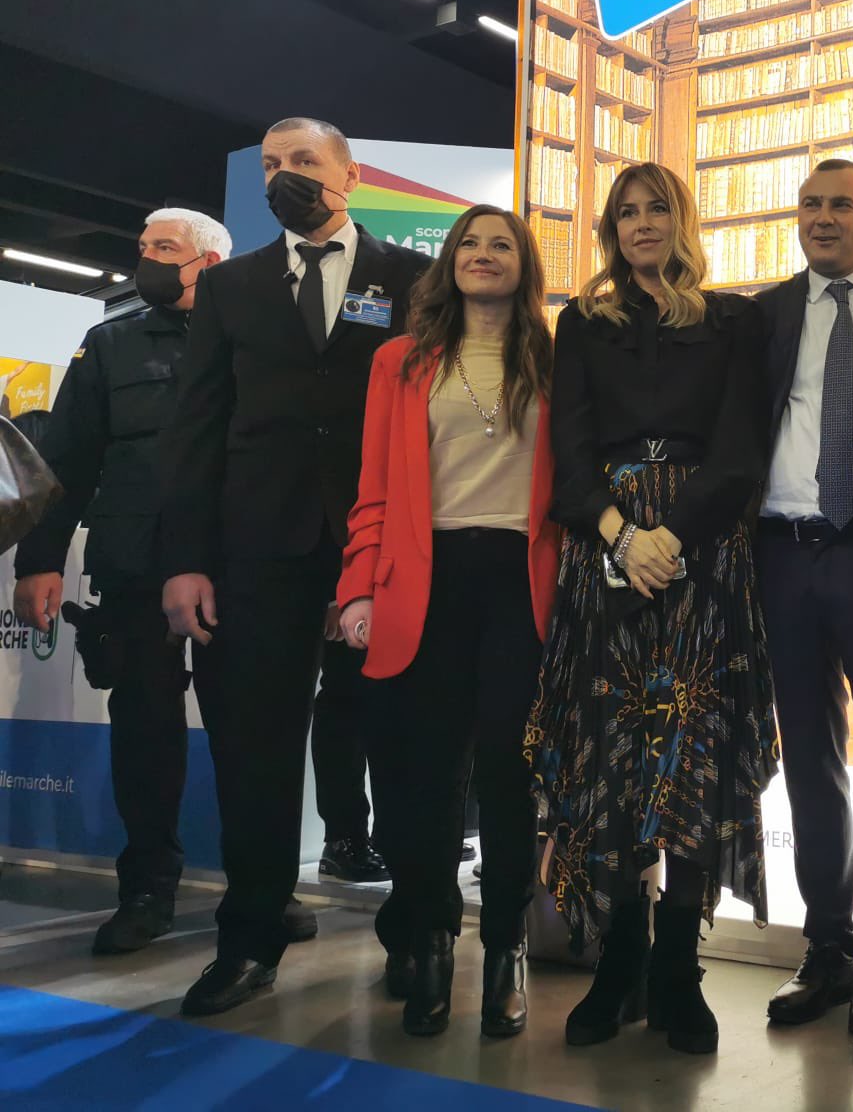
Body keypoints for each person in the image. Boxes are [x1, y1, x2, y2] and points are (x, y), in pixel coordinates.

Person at [160, 118, 432, 1015]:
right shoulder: (229, 285)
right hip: (258, 547)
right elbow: (197, 425)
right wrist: (187, 560)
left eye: (303, 162)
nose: (285, 176)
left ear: (350, 174)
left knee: (403, 738)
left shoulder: (413, 278)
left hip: (380, 542)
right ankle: (250, 936)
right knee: (256, 748)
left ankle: (416, 933)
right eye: (272, 165)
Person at [528, 161, 775, 1058]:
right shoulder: (583, 323)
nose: (641, 224)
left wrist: (669, 535)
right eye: (626, 212)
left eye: (656, 209)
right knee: (616, 753)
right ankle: (619, 955)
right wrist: (622, 536)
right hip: (608, 552)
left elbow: (742, 448)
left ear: (682, 220)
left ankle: (680, 965)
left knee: (695, 752)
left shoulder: (735, 320)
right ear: (610, 230)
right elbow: (569, 450)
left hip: (703, 552)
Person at [335, 204, 560, 1039]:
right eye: (470, 242)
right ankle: (430, 944)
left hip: (520, 584)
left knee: (508, 775)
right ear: (450, 261)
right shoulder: (399, 361)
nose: (483, 254)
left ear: (524, 266)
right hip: (423, 581)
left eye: (502, 244)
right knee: (423, 780)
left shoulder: (554, 358)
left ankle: (506, 951)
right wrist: (358, 588)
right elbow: (373, 488)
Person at [13, 209, 243, 954]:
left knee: (248, 731)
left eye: (163, 248)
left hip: (236, 565)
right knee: (144, 730)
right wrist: (39, 559)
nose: (145, 259)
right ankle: (147, 888)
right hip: (134, 565)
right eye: (143, 247)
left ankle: (258, 890)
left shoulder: (252, 339)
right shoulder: (110, 343)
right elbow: (67, 460)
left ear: (208, 263)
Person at [754, 159, 853, 1032]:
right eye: (810, 204)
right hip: (783, 553)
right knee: (808, 758)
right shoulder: (764, 314)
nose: (823, 218)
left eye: (842, 205)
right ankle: (828, 946)